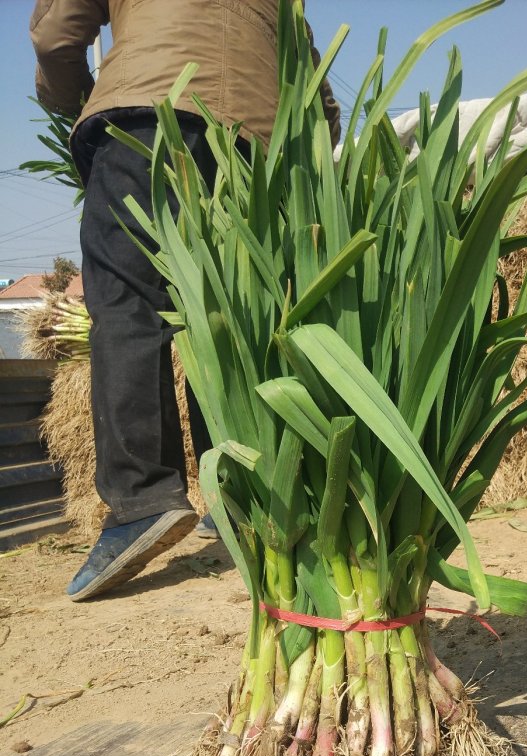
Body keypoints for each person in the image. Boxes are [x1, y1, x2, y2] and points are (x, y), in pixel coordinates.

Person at [30, 0, 339, 601]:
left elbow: (55, 37)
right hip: (257, 145)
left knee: (127, 304)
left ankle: (143, 500)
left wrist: (79, 101)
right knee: (226, 314)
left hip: (145, 115)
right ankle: (241, 493)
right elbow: (316, 92)